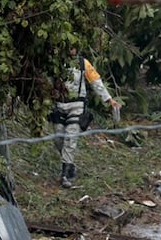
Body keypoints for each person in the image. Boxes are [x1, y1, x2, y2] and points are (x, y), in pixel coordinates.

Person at [50, 47, 121, 188]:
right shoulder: (55, 63)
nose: (71, 50)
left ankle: (65, 174)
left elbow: (96, 83)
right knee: (58, 138)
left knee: (71, 138)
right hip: (59, 105)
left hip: (77, 106)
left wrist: (109, 100)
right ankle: (70, 165)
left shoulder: (84, 64)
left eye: (73, 47)